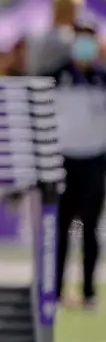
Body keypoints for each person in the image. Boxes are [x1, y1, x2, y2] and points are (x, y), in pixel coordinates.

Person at [51, 23, 106, 309]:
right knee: (61, 229)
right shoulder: (57, 75)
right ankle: (57, 290)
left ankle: (88, 292)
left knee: (90, 230)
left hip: (94, 161)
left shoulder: (102, 78)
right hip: (64, 161)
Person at [29, 0, 87, 78]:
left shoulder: (35, 39)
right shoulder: (71, 40)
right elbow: (87, 62)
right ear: (73, 11)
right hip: (65, 91)